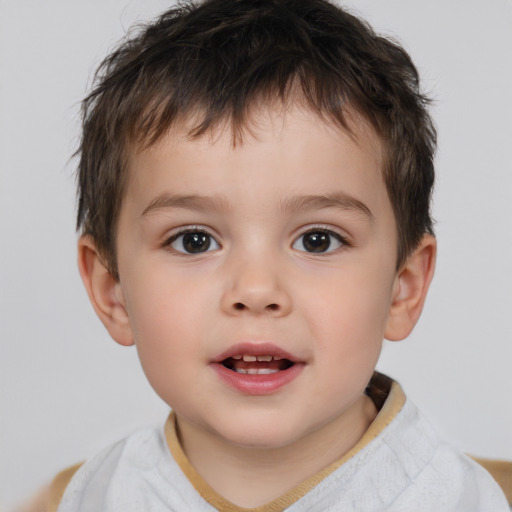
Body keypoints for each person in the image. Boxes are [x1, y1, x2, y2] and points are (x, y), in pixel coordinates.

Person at [40, 0, 510, 510]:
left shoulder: (468, 499)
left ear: (403, 286)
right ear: (114, 292)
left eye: (318, 240)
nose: (257, 290)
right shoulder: (88, 495)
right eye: (194, 240)